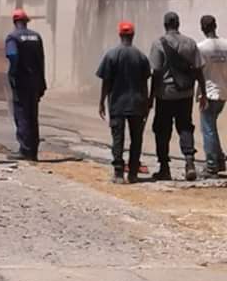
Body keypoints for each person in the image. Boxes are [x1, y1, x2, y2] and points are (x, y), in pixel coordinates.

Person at [150, 11, 206, 182]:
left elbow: (156, 73)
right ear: (178, 24)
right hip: (185, 93)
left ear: (165, 25)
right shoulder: (190, 43)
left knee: (162, 130)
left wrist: (151, 97)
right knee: (185, 127)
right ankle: (189, 163)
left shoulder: (158, 44)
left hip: (165, 95)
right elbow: (198, 70)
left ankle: (164, 167)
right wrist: (203, 91)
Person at [96, 21, 151, 184]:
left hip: (117, 105)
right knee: (136, 139)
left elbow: (106, 82)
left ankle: (118, 173)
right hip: (137, 104)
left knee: (118, 138)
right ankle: (133, 173)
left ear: (120, 35)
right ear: (133, 36)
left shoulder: (111, 55)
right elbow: (145, 82)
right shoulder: (141, 56)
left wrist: (101, 101)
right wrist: (147, 103)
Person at [5, 9, 46, 161]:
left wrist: (13, 73)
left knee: (21, 114)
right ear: (26, 21)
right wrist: (42, 83)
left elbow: (13, 55)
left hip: (21, 81)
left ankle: (25, 150)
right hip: (35, 82)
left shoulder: (13, 37)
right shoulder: (37, 36)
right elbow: (41, 60)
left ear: (15, 22)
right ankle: (33, 151)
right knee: (32, 115)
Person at [197, 14, 227, 177]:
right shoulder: (226, 45)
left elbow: (197, 71)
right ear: (215, 26)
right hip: (223, 93)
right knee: (212, 127)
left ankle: (211, 166)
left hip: (208, 93)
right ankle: (220, 161)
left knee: (208, 129)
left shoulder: (201, 47)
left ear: (202, 28)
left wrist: (200, 94)